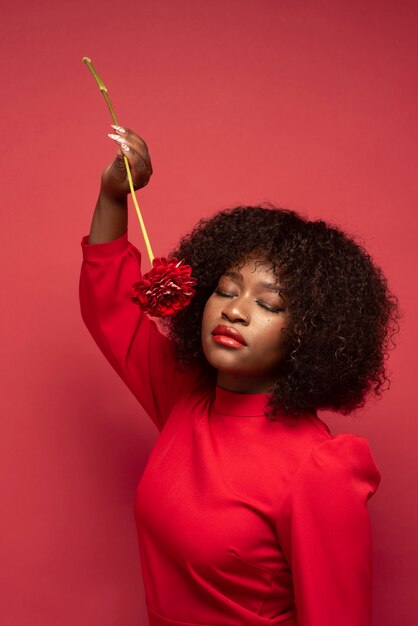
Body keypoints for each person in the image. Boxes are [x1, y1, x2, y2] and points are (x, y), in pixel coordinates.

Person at [79, 126, 399, 626]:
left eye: (269, 304)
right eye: (226, 291)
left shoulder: (320, 469)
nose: (236, 312)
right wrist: (113, 194)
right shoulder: (188, 399)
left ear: (311, 333)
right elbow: (111, 309)